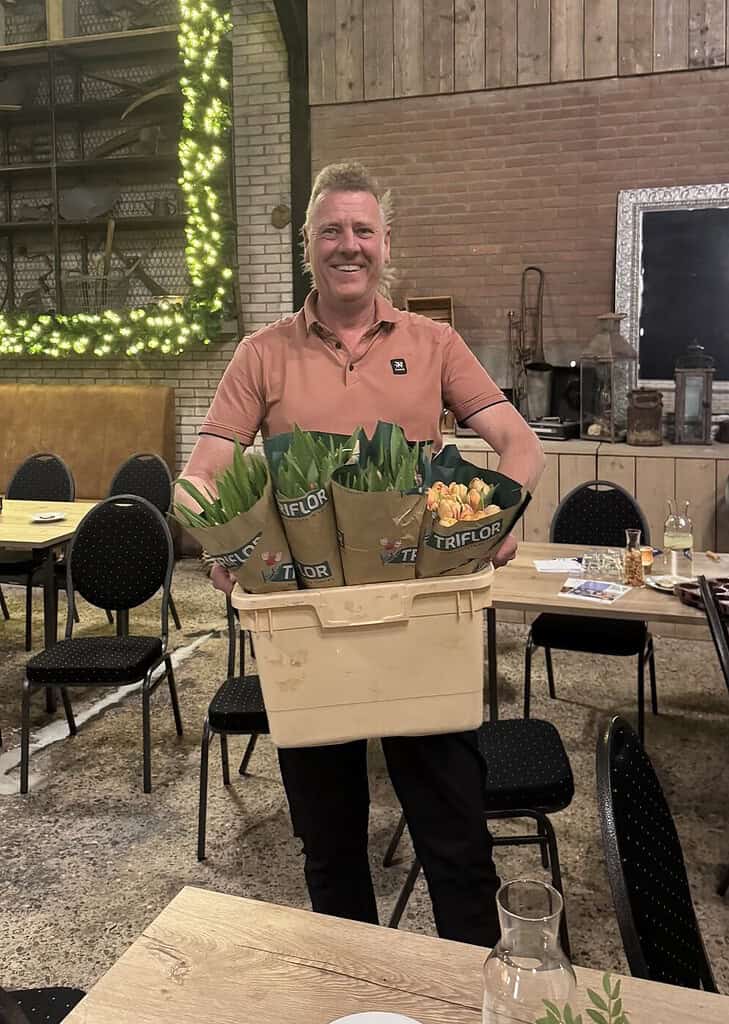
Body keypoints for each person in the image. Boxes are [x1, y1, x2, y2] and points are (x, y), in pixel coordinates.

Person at [178, 161, 545, 945]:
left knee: (455, 839)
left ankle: (465, 992)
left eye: (362, 230)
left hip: (419, 624)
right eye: (331, 231)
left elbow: (516, 443)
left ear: (386, 244)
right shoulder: (261, 354)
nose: (348, 245)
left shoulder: (434, 342)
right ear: (308, 246)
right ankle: (356, 993)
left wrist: (498, 518)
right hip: (307, 630)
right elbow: (200, 474)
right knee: (329, 844)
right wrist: (219, 538)